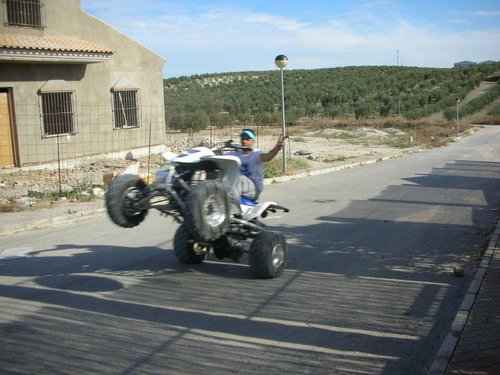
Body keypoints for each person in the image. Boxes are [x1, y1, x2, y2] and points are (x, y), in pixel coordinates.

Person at [227, 129, 284, 201]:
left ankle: (232, 204)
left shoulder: (256, 154)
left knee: (239, 177)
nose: (244, 141)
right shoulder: (235, 154)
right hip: (239, 188)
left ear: (253, 141)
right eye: (243, 139)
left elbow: (268, 156)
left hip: (253, 190)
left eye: (248, 139)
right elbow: (219, 157)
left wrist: (277, 148)